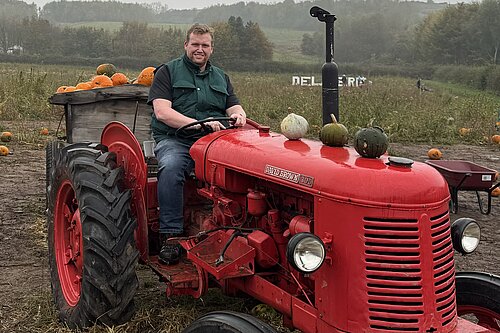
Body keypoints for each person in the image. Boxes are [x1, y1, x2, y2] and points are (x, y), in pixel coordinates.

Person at [147, 23, 247, 265]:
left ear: (211, 49)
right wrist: (198, 123)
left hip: (213, 143)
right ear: (186, 45)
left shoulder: (221, 77)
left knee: (245, 169)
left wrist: (240, 115)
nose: (199, 49)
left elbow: (233, 106)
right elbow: (162, 113)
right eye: (195, 44)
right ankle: (171, 236)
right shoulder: (167, 72)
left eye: (205, 45)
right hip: (176, 140)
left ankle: (239, 229)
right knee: (171, 167)